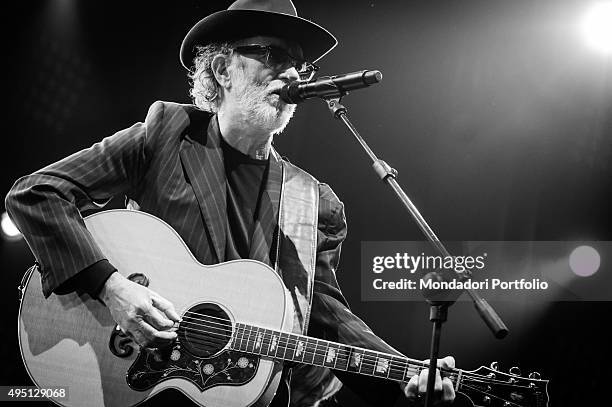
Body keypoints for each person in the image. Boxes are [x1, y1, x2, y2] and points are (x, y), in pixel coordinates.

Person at [6, 0, 455, 406]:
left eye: (302, 65)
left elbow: (326, 316)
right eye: (275, 55)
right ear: (222, 70)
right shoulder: (164, 135)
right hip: (139, 379)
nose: (295, 74)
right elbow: (36, 193)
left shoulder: (315, 202)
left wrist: (408, 373)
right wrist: (113, 288)